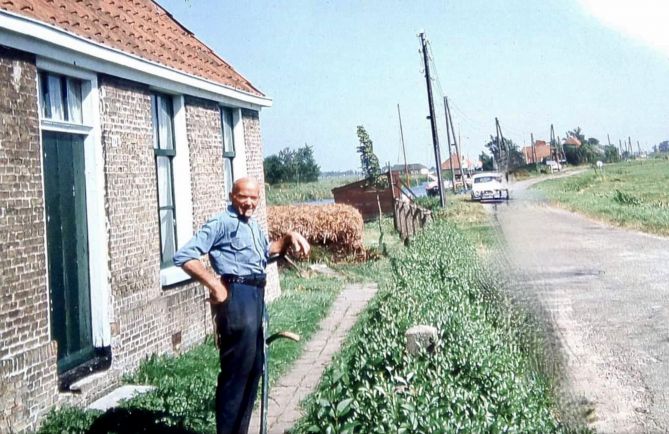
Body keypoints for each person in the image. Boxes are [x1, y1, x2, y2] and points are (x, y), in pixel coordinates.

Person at [173, 177, 310, 434]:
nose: (248, 202)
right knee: (236, 373)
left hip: (256, 297)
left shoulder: (253, 226)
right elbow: (184, 257)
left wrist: (288, 237)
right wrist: (215, 285)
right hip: (237, 298)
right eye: (242, 196)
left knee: (254, 368)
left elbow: (265, 252)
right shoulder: (221, 223)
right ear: (231, 196)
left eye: (253, 197)